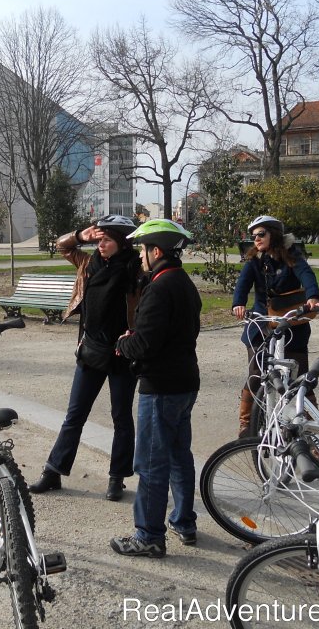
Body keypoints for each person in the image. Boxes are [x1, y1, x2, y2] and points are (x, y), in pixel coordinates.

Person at [28, 215, 142, 502]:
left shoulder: (135, 269)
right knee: (74, 415)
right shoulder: (88, 264)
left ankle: (117, 479)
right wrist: (80, 235)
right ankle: (53, 472)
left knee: (121, 418)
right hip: (91, 350)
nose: (100, 244)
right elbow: (62, 247)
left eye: (107, 240)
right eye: (99, 239)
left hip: (121, 353)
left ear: (121, 242)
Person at [109, 219, 201, 558]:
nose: (140, 257)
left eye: (143, 250)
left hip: (160, 386)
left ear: (156, 251)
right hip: (185, 382)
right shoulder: (183, 282)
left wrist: (124, 343)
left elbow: (146, 342)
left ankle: (148, 535)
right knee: (179, 456)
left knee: (150, 463)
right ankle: (184, 522)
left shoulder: (160, 287)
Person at [231, 215, 319, 437]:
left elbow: (307, 275)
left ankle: (311, 425)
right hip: (262, 324)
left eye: (261, 234)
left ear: (274, 234)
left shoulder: (292, 257)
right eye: (253, 236)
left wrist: (313, 297)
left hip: (291, 323)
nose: (256, 239)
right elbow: (242, 285)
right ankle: (246, 423)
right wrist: (238, 304)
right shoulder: (254, 261)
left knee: (301, 374)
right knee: (256, 373)